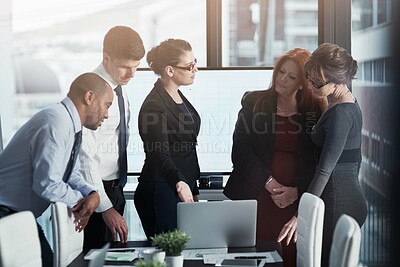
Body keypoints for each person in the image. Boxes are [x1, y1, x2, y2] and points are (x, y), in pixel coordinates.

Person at [223, 48, 326, 267]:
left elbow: (318, 162)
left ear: (303, 82)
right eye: (281, 71)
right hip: (256, 196)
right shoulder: (254, 102)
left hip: (293, 202)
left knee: (290, 257)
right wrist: (270, 184)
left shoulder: (314, 111)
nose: (282, 79)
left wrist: (296, 192)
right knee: (252, 258)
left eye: (291, 76)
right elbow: (241, 151)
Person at [0, 72, 112, 267]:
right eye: (107, 104)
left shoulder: (67, 124)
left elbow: (71, 174)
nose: (107, 114)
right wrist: (82, 202)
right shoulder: (56, 122)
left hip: (18, 217)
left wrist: (91, 194)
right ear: (89, 97)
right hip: (5, 217)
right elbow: (47, 184)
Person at [277, 43, 368, 266]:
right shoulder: (339, 101)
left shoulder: (341, 115)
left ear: (339, 81)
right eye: (309, 78)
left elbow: (325, 169)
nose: (310, 85)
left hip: (339, 202)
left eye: (317, 82)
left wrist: (301, 215)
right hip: (337, 197)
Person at [78, 26, 145, 248]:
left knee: (114, 257)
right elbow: (85, 155)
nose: (132, 74)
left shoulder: (118, 87)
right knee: (97, 257)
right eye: (125, 67)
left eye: (135, 67)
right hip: (96, 192)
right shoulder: (92, 92)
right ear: (106, 58)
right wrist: (104, 206)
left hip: (115, 189)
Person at [134, 38, 201, 239]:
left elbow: (187, 149)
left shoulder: (177, 96)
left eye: (194, 62)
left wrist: (193, 186)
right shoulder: (154, 105)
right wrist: (180, 183)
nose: (195, 70)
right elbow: (158, 153)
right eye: (189, 66)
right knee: (169, 256)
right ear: (170, 70)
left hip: (182, 188)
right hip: (161, 190)